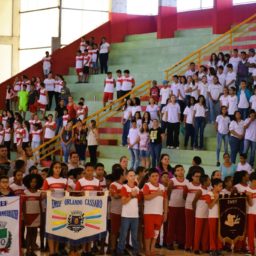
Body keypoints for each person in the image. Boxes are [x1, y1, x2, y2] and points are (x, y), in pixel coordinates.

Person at [42, 161, 67, 256]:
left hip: (62, 208)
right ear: (52, 168)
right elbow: (43, 195)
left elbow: (67, 193)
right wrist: (48, 191)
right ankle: (51, 252)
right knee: (51, 230)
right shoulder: (48, 180)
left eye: (59, 167)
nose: (58, 169)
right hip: (51, 208)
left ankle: (56, 251)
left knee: (59, 230)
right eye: (56, 167)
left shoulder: (64, 180)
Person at [143, 169, 168, 256]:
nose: (155, 178)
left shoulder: (162, 187)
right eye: (153, 176)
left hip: (159, 213)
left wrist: (165, 213)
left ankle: (152, 248)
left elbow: (165, 200)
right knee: (149, 232)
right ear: (149, 177)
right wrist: (157, 193)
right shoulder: (147, 185)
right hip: (149, 213)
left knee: (156, 232)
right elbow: (146, 197)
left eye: (156, 176)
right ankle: (147, 250)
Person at [117, 170, 140, 256]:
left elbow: (139, 202)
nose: (132, 177)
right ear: (127, 177)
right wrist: (131, 195)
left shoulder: (137, 189)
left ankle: (135, 251)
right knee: (123, 234)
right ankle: (120, 251)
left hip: (135, 216)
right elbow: (123, 202)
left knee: (134, 235)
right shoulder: (124, 187)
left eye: (134, 175)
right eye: (130, 175)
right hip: (126, 215)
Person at [167, 165, 187, 250]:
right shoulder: (172, 181)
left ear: (184, 171)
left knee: (181, 226)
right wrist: (167, 204)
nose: (180, 171)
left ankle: (181, 242)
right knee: (171, 225)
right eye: (178, 170)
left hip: (183, 206)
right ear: (175, 172)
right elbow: (168, 193)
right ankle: (169, 243)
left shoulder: (187, 182)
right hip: (173, 206)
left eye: (182, 170)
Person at [23, 174, 43, 256]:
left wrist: (41, 215)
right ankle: (28, 250)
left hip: (37, 215)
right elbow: (23, 205)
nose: (33, 183)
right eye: (31, 182)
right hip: (28, 215)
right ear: (28, 182)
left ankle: (32, 249)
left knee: (34, 232)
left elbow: (40, 205)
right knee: (28, 232)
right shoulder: (25, 192)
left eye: (35, 182)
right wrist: (23, 215)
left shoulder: (39, 193)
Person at [192, 174, 211, 254]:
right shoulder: (200, 191)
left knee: (206, 232)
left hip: (207, 214)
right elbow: (194, 202)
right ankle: (196, 248)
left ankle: (205, 248)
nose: (210, 181)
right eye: (209, 180)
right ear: (204, 182)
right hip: (199, 214)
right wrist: (195, 211)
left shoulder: (210, 190)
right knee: (198, 232)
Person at [109, 164, 125, 254]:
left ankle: (120, 247)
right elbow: (115, 196)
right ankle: (112, 248)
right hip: (115, 211)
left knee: (122, 231)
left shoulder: (125, 185)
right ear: (121, 175)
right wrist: (125, 193)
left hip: (124, 212)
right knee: (114, 231)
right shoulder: (113, 184)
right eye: (124, 174)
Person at [185, 169, 201, 252]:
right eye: (196, 176)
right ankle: (188, 245)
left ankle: (196, 246)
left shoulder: (203, 186)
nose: (198, 178)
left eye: (199, 176)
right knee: (189, 227)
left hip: (200, 210)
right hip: (189, 208)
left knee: (197, 229)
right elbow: (184, 196)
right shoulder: (188, 185)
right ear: (192, 177)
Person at [206, 178, 223, 256]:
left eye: (221, 186)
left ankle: (219, 248)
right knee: (212, 233)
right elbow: (210, 206)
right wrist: (216, 199)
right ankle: (212, 249)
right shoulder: (209, 194)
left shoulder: (222, 194)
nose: (221, 188)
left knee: (219, 233)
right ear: (214, 186)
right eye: (219, 186)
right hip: (212, 216)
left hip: (220, 217)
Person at [246, 172, 256, 255]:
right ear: (253, 181)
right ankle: (251, 249)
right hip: (251, 213)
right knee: (250, 232)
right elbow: (251, 204)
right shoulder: (247, 190)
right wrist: (249, 196)